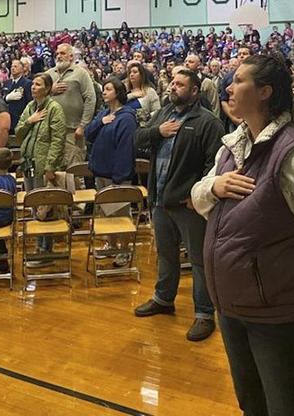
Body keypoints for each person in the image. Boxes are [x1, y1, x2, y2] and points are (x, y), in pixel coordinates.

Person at [192, 54, 294, 416]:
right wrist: (214, 186)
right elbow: (199, 197)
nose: (228, 87)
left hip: (288, 316)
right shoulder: (231, 146)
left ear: (265, 91)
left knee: (289, 408)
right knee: (253, 406)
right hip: (236, 308)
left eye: (239, 80)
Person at [134, 69, 224, 342]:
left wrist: (198, 196)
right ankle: (163, 298)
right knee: (166, 254)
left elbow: (215, 164)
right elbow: (138, 139)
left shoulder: (208, 122)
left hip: (188, 204)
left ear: (195, 91)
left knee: (198, 260)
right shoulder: (163, 114)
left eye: (180, 84)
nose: (173, 87)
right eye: (172, 82)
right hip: (160, 199)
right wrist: (157, 132)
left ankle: (205, 314)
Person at [86, 77, 137, 266]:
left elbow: (125, 149)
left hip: (117, 176)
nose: (104, 92)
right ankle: (111, 244)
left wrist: (120, 178)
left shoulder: (127, 118)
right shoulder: (104, 113)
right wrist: (101, 122)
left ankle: (124, 250)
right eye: (104, 89)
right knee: (106, 214)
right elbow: (88, 134)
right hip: (100, 172)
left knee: (120, 215)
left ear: (118, 92)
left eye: (108, 89)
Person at [47, 44, 95, 177]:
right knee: (53, 172)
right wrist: (50, 90)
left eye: (62, 53)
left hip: (73, 131)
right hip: (51, 130)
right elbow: (37, 97)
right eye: (57, 53)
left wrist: (83, 125)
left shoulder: (81, 73)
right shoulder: (49, 74)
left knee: (75, 172)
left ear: (71, 56)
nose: (59, 56)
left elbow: (90, 99)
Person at [15, 73, 67, 192]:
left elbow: (58, 140)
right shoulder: (30, 107)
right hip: (27, 162)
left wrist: (50, 166)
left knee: (42, 199)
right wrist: (29, 121)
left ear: (47, 89)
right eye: (33, 84)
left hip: (43, 164)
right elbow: (18, 133)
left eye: (38, 84)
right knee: (29, 197)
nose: (33, 87)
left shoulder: (54, 108)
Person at [1, 59, 32, 133]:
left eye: (15, 66)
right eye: (12, 66)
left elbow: (29, 102)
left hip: (19, 118)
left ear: (22, 69)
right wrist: (6, 98)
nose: (12, 68)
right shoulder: (6, 83)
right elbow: (1, 98)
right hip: (7, 117)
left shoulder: (27, 83)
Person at [125, 61, 160, 126]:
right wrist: (132, 95)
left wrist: (145, 116)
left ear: (141, 75)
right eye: (130, 72)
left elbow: (157, 111)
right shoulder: (125, 91)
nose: (131, 74)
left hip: (142, 127)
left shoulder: (150, 91)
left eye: (135, 72)